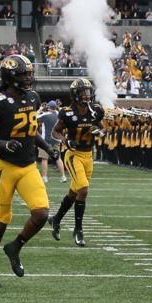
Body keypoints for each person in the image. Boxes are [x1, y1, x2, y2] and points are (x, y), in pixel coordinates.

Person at [0, 54, 54, 288]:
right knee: (0, 222)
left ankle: (15, 246)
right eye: (23, 74)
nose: (29, 78)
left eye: (29, 73)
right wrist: (2, 144)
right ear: (10, 77)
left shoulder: (33, 97)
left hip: (28, 164)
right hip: (4, 167)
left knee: (41, 214)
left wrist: (48, 147)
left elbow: (30, 130)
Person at [49, 77, 106, 247]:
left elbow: (103, 129)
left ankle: (56, 219)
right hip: (73, 154)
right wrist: (65, 141)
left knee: (74, 193)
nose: (87, 95)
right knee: (83, 190)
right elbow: (55, 132)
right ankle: (78, 230)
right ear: (76, 94)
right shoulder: (67, 112)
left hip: (88, 155)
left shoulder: (95, 110)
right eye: (83, 92)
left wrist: (99, 131)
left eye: (88, 91)